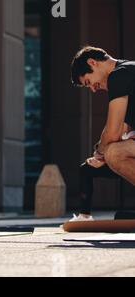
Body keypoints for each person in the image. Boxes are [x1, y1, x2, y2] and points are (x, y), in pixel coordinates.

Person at [70, 46, 135, 221]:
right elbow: (120, 130)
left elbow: (112, 133)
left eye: (88, 81)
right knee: (114, 152)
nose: (93, 89)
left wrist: (100, 153)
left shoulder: (118, 75)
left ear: (93, 63)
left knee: (115, 153)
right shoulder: (128, 72)